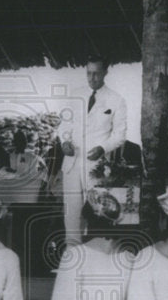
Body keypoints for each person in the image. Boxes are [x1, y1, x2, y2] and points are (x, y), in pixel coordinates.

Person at [53, 55, 128, 243]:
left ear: (105, 72)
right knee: (71, 216)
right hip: (71, 164)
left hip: (96, 167)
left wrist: (103, 148)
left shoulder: (116, 100)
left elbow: (119, 135)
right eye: (88, 73)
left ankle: (95, 257)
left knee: (97, 213)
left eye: (96, 73)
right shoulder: (75, 95)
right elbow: (64, 125)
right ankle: (73, 260)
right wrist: (64, 142)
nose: (92, 78)